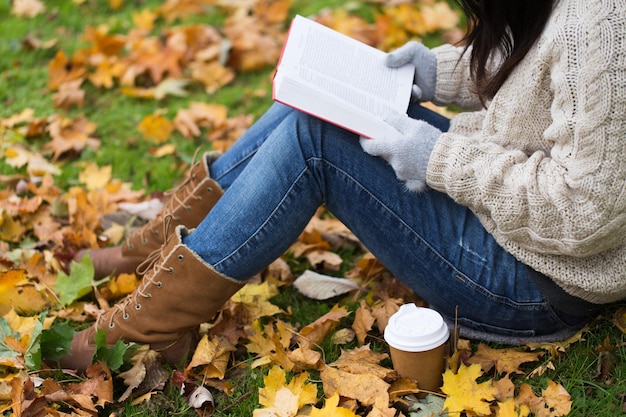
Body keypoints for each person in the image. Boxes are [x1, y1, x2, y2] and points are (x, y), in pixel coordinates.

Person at [60, 0, 626, 373]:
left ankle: (146, 332)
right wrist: (436, 72)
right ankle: (161, 247)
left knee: (318, 137)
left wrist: (442, 157)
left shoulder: (605, 27)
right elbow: (537, 63)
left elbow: (586, 211)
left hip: (535, 280)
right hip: (509, 222)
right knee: (316, 103)